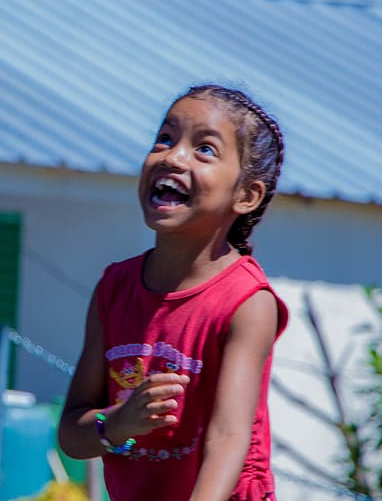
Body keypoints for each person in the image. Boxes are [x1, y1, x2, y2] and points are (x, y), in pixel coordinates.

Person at [58, 84, 288, 501]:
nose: (172, 156)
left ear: (246, 195)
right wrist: (119, 424)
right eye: (164, 139)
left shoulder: (248, 302)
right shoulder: (115, 288)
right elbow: (73, 436)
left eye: (204, 149)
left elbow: (228, 438)